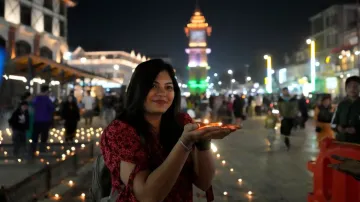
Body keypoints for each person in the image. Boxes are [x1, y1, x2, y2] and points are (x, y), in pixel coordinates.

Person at [100, 59, 236, 202]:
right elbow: (147, 196)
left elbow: (204, 182)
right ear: (138, 89)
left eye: (168, 87)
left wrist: (203, 142)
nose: (162, 93)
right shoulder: (119, 131)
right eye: (153, 86)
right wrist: (184, 143)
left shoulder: (182, 122)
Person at [331, 76, 360, 144]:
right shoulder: (341, 105)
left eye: (355, 86)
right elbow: (332, 124)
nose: (352, 89)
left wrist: (356, 130)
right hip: (341, 143)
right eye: (349, 86)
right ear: (346, 89)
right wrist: (338, 127)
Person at [31, 85, 54, 155]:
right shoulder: (47, 99)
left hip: (36, 120)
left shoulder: (36, 98)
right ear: (47, 91)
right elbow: (52, 108)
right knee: (44, 136)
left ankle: (33, 149)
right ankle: (42, 149)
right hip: (45, 120)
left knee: (35, 136)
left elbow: (33, 104)